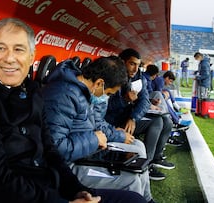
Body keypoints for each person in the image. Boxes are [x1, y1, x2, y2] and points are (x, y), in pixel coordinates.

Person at [0, 18, 146, 203]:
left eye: (19, 49)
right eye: (0, 48)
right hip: (24, 197)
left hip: (52, 186)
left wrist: (77, 190)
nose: (9, 58)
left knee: (133, 200)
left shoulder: (32, 91)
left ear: (31, 56)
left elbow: (51, 151)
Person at [35, 56, 155, 203]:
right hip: (68, 167)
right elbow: (55, 148)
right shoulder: (63, 95)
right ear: (99, 83)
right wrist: (94, 139)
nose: (106, 97)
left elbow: (95, 125)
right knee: (131, 181)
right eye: (109, 93)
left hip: (87, 154)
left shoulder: (83, 91)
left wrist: (110, 135)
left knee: (137, 160)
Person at [105, 48, 175, 181]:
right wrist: (124, 100)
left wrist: (133, 118)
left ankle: (153, 160)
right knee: (158, 121)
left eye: (138, 65)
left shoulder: (139, 78)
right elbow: (104, 107)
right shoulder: (111, 77)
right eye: (132, 64)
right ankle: (145, 165)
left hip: (128, 120)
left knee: (163, 121)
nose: (135, 68)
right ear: (122, 62)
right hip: (112, 123)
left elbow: (144, 101)